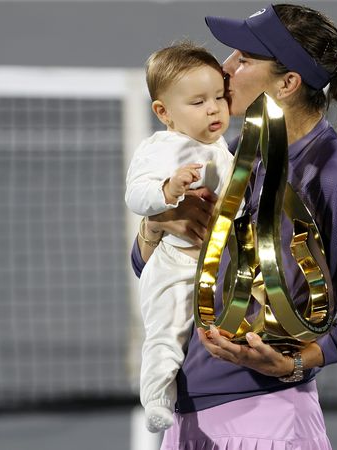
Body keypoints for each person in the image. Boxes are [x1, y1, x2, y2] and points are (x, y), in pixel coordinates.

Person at [131, 4, 337, 449]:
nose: (224, 69)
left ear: (288, 83)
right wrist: (156, 227)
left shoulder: (333, 176)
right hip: (189, 416)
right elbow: (151, 268)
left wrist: (293, 364)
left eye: (242, 59)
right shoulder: (233, 152)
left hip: (264, 422)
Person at [124, 42, 237, 433]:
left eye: (220, 98)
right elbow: (135, 194)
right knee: (167, 329)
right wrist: (168, 191)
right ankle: (156, 397)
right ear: (163, 113)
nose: (213, 108)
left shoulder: (223, 148)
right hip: (174, 263)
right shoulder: (161, 148)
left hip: (218, 266)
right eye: (198, 102)